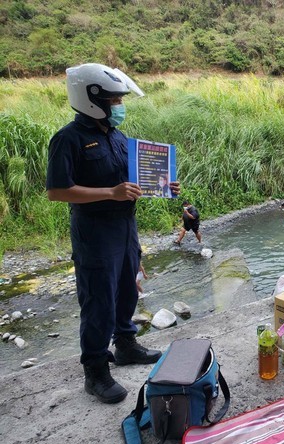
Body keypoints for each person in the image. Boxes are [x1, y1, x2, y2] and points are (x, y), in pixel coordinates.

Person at [46, 63, 181, 404]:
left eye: (121, 99)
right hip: (94, 232)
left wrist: (165, 186)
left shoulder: (118, 137)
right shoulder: (67, 139)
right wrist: (110, 193)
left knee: (126, 287)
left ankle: (126, 344)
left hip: (125, 227)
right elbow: (57, 191)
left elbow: (131, 183)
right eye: (115, 99)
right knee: (98, 298)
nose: (120, 105)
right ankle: (95, 370)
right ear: (93, 99)